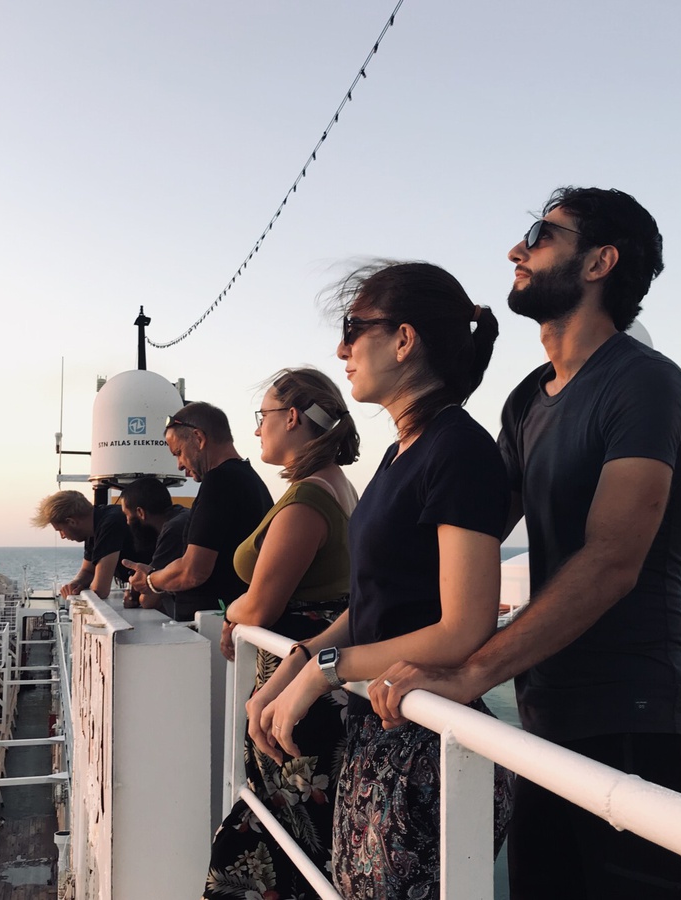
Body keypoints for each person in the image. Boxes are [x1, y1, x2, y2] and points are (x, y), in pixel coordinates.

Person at [371, 187, 681, 899]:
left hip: (631, 720)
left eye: (541, 235)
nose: (516, 251)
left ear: (600, 262)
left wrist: (471, 673)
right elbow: (471, 532)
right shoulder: (528, 398)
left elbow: (612, 561)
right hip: (542, 718)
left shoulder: (645, 385)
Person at [252, 262, 513, 900]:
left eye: (352, 329)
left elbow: (463, 626)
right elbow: (374, 603)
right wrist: (300, 661)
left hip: (427, 747)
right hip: (381, 729)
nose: (341, 350)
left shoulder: (458, 450)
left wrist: (325, 672)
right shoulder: (402, 453)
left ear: (403, 340)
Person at [203, 367, 360, 900]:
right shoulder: (340, 488)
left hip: (297, 695)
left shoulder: (307, 501)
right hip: (309, 683)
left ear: (292, 417)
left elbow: (262, 604)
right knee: (303, 849)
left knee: (278, 846)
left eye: (263, 416)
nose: (256, 430)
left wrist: (230, 613)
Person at [128, 402, 273, 621]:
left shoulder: (219, 481)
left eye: (178, 453)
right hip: (231, 621)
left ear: (198, 438)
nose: (178, 465)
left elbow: (193, 571)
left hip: (212, 628)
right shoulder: (251, 478)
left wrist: (150, 581)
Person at [30, 489, 136, 600]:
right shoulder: (94, 526)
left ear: (71, 522)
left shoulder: (110, 524)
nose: (62, 536)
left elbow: (100, 590)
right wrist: (76, 583)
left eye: (60, 530)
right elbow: (88, 571)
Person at [118, 477, 190, 613]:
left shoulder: (173, 530)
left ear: (140, 513)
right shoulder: (183, 515)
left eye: (127, 515)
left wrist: (134, 594)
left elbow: (149, 600)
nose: (127, 522)